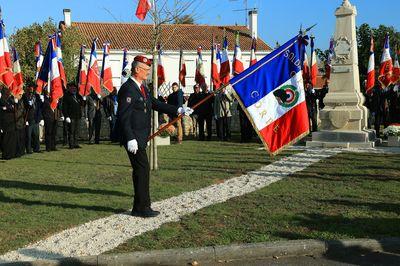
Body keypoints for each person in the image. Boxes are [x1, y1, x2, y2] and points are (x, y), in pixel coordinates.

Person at [117, 55, 193, 218]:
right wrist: (130, 138)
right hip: (133, 139)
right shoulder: (128, 88)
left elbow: (156, 104)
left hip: (140, 137)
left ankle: (141, 206)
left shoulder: (142, 88)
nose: (148, 73)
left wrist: (178, 110)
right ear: (137, 69)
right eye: (145, 70)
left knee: (142, 170)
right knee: (142, 169)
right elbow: (123, 116)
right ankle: (142, 207)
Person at [23, 86, 43, 154]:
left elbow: (40, 107)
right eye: (30, 88)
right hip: (29, 118)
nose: (31, 89)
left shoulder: (37, 96)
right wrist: (28, 103)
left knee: (36, 135)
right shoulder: (25, 96)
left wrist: (41, 101)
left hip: (36, 118)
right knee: (28, 136)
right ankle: (28, 149)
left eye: (32, 88)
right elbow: (25, 106)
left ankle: (36, 148)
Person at [63, 83, 83, 149]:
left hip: (78, 116)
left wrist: (84, 99)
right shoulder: (66, 96)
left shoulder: (78, 96)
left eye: (75, 88)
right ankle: (71, 144)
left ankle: (76, 143)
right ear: (69, 89)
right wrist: (66, 116)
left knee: (76, 131)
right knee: (71, 131)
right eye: (72, 88)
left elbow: (82, 104)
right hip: (71, 116)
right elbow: (64, 107)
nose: (74, 89)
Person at [0, 89, 17, 159]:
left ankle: (11, 154)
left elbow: (13, 108)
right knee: (6, 140)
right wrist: (9, 108)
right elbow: (4, 108)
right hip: (5, 123)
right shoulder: (1, 100)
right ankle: (6, 155)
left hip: (11, 122)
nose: (9, 94)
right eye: (7, 93)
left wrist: (8, 108)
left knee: (11, 139)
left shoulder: (10, 100)